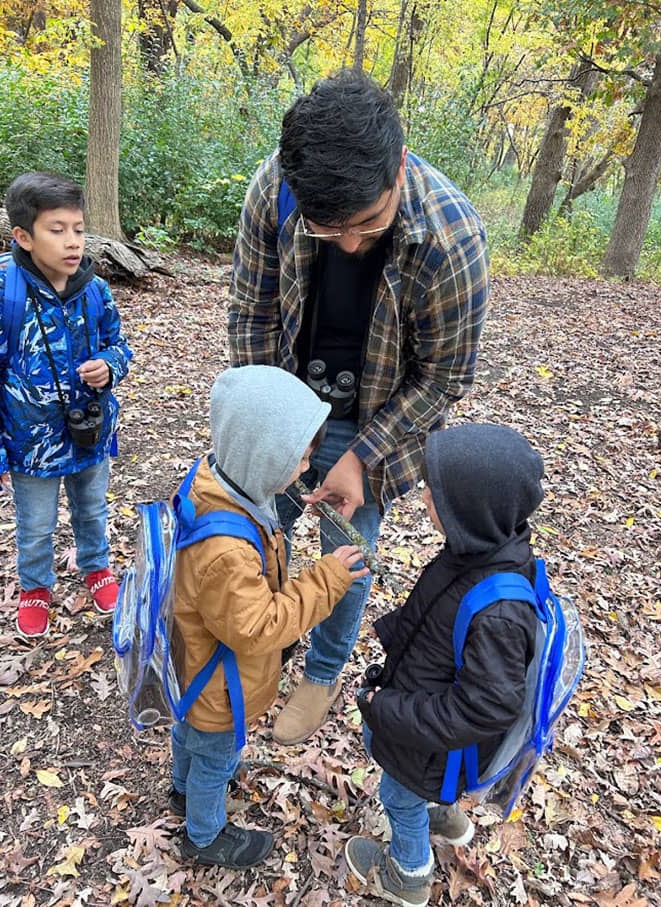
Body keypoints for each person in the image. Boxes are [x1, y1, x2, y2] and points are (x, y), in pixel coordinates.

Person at [228, 68, 489, 746]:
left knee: (349, 546)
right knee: (264, 518)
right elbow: (252, 315)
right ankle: (273, 629)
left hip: (378, 410)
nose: (347, 242)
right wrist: (272, 421)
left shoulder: (451, 238)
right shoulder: (277, 190)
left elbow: (443, 376)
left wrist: (361, 455)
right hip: (290, 390)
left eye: (367, 223)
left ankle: (323, 667)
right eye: (327, 228)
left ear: (399, 166)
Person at [168, 365, 369, 869]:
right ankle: (204, 834)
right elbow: (259, 628)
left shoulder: (220, 482)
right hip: (217, 678)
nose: (306, 467)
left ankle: (182, 789)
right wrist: (326, 579)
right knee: (214, 752)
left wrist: (274, 498)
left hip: (194, 666)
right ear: (263, 455)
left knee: (192, 736)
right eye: (299, 457)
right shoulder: (227, 552)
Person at [344, 423, 544, 906]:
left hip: (426, 744)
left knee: (397, 796)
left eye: (438, 491)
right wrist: (397, 637)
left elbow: (482, 709)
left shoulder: (499, 612)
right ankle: (445, 816)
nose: (425, 495)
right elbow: (442, 615)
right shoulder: (478, 551)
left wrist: (386, 710)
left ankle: (409, 874)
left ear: (473, 509)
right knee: (412, 790)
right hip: (426, 727)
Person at [0, 172, 132, 638]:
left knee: (92, 508)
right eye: (58, 230)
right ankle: (35, 586)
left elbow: (121, 345)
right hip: (30, 444)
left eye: (78, 228)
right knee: (35, 522)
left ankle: (96, 566)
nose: (73, 242)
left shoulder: (94, 288)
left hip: (89, 432)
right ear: (23, 236)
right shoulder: (2, 289)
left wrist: (109, 365)